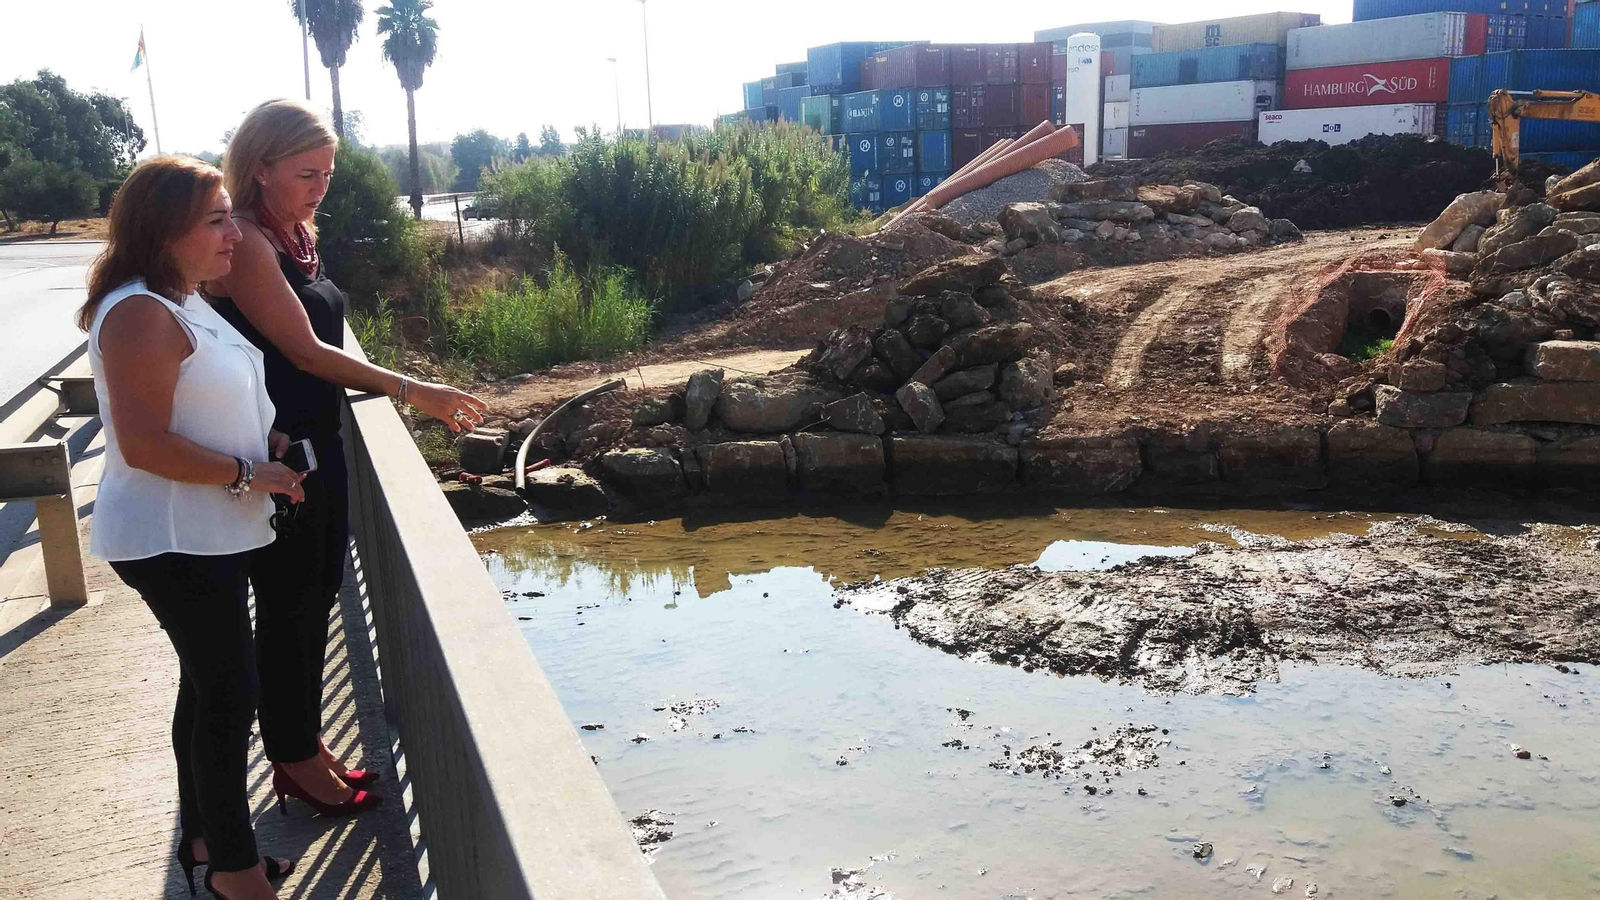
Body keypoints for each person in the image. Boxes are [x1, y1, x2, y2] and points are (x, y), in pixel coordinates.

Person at [208, 99, 486, 816]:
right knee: (290, 603)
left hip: (317, 438)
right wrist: (412, 388)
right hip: (279, 452)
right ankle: (296, 760)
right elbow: (302, 349)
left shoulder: (295, 233)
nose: (321, 186)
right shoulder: (244, 239)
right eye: (307, 172)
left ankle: (305, 747)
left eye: (328, 172)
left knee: (316, 595)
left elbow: (319, 336)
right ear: (260, 168)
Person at [84, 156, 302, 900]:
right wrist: (248, 476)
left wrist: (262, 444)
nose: (232, 234)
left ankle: (209, 844)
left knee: (209, 689)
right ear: (165, 229)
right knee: (227, 693)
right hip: (172, 535)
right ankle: (235, 874)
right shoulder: (140, 311)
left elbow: (206, 400)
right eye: (215, 220)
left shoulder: (180, 298)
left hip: (207, 530)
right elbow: (143, 444)